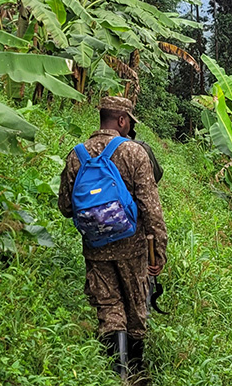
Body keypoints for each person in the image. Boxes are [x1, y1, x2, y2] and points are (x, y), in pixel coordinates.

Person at [58, 96, 167, 383]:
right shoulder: (134, 153)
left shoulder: (77, 155)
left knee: (109, 308)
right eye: (130, 120)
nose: (130, 126)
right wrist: (159, 253)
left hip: (96, 248)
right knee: (135, 308)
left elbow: (66, 207)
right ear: (121, 120)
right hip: (133, 248)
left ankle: (116, 375)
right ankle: (137, 373)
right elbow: (151, 208)